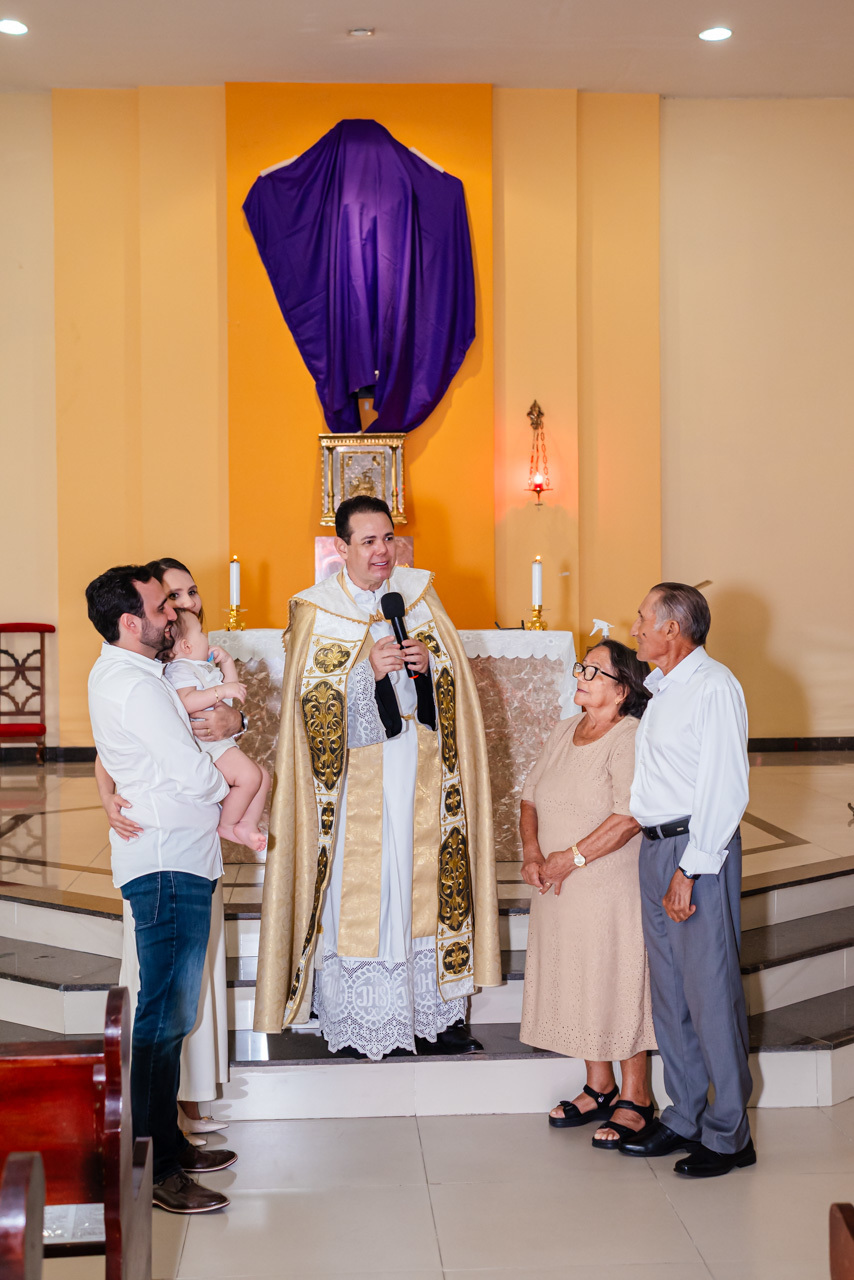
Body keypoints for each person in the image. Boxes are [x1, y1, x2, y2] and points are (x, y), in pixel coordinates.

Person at [253, 495, 501, 1058]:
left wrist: (429, 668)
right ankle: (365, 1018)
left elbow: (454, 689)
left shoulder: (417, 595)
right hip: (352, 785)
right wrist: (364, 675)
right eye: (368, 541)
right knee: (363, 894)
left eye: (389, 538)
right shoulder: (316, 609)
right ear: (340, 549)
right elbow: (306, 704)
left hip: (419, 771)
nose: (383, 551)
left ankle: (432, 1017)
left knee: (422, 885)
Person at [86, 563, 237, 1213]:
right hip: (167, 862)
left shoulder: (136, 676)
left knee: (168, 1017)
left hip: (178, 855)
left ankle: (169, 1145)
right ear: (130, 621)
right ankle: (153, 1166)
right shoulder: (135, 686)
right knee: (163, 1018)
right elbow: (190, 772)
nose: (171, 615)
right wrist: (222, 788)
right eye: (158, 608)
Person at [620, 582, 754, 1178]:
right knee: (671, 994)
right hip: (655, 850)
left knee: (708, 992)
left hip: (694, 852)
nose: (636, 627)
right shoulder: (663, 688)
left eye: (643, 618)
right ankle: (685, 1117)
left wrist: (689, 869)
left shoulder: (715, 687)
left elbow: (723, 790)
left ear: (673, 629)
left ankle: (730, 1135)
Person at [520, 640, 657, 1148]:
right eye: (583, 667)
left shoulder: (629, 737)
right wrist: (534, 855)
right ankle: (600, 1085)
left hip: (606, 886)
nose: (581, 675)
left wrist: (569, 858)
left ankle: (636, 1096)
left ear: (623, 690)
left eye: (594, 671)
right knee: (578, 979)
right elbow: (530, 797)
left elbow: (629, 816)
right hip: (557, 884)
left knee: (615, 981)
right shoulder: (563, 730)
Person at [162, 608, 270, 853]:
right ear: (187, 646)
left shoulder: (200, 667)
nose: (207, 636)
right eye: (201, 633)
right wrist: (220, 692)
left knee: (262, 776)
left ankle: (247, 824)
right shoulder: (180, 669)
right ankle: (228, 824)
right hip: (206, 744)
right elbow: (188, 701)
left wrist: (228, 662)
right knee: (250, 777)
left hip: (220, 742)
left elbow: (230, 691)